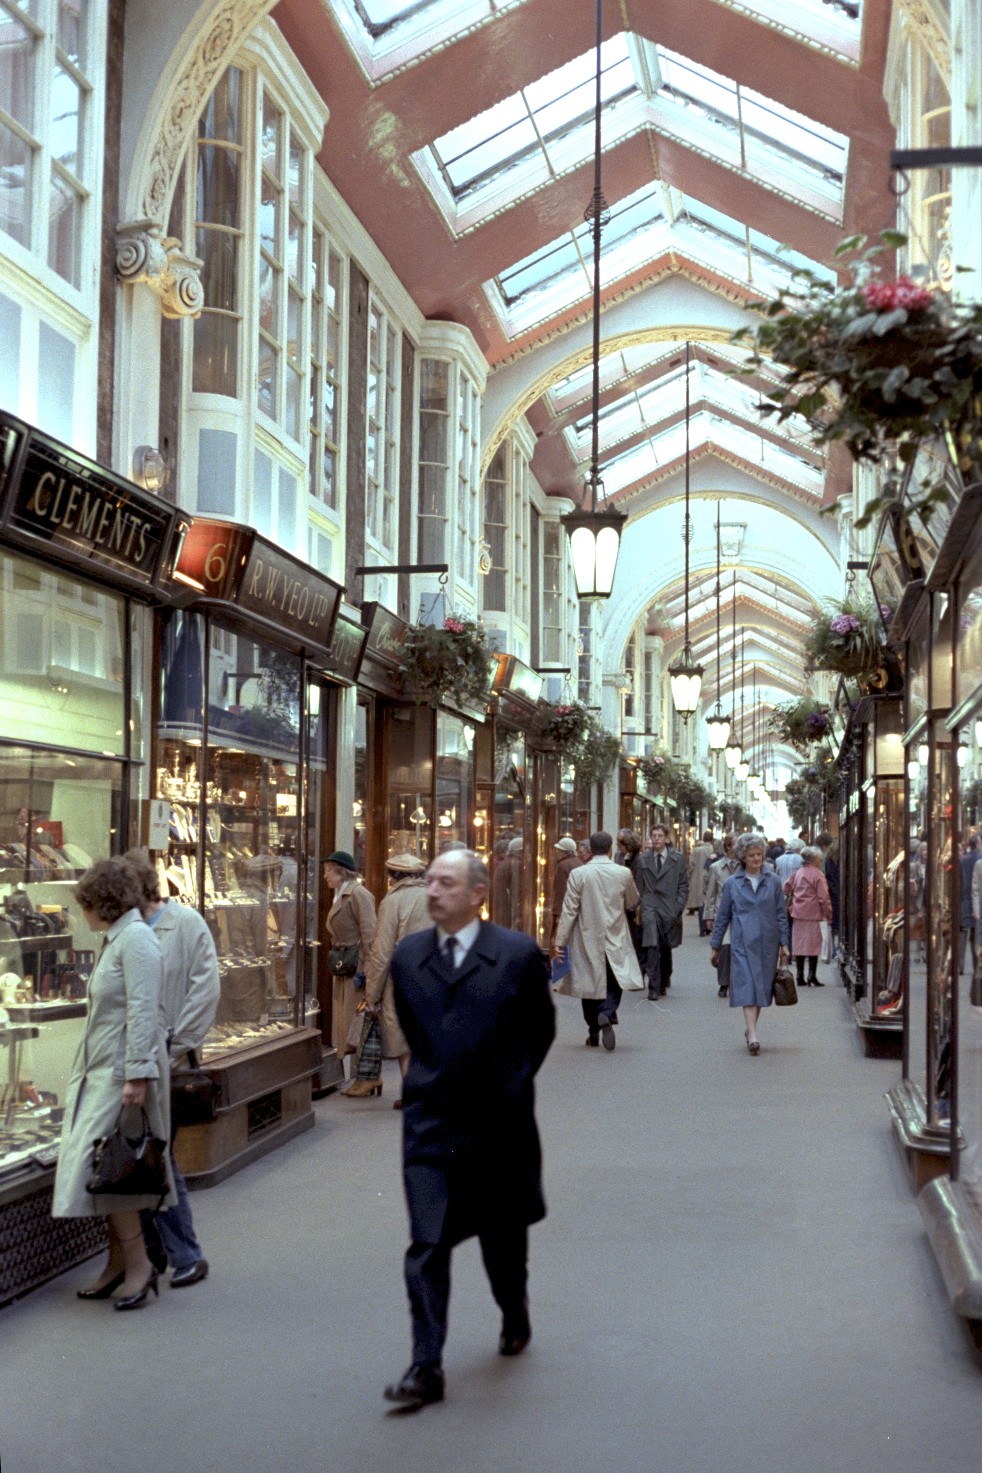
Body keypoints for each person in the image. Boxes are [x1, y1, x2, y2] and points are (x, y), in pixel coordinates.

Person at [384, 849, 554, 1411]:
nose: (433, 891)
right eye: (429, 881)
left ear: (478, 895)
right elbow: (414, 1027)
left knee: (502, 1242)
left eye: (446, 883)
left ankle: (514, 1311)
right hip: (431, 1125)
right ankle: (425, 1365)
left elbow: (539, 1031)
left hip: (498, 1127)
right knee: (427, 1243)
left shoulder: (516, 955)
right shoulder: (409, 957)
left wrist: (509, 1081)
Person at [52, 858, 175, 1309]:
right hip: (104, 1069)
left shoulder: (136, 940)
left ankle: (139, 1263)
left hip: (121, 1074)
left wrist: (137, 1076)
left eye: (85, 904)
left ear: (100, 903)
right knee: (105, 1169)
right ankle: (117, 1261)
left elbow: (144, 1010)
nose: (82, 913)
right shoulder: (120, 938)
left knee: (107, 1163)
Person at [123, 848, 220, 1287]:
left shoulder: (185, 924)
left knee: (157, 1157)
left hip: (169, 1062)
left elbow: (206, 989)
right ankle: (158, 1254)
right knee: (141, 1157)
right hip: (128, 1063)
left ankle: (182, 1254)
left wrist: (176, 1043)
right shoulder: (124, 931)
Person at [553, 830, 644, 1050]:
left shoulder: (579, 874)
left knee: (589, 982)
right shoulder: (622, 873)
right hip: (615, 932)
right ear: (611, 848)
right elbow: (632, 900)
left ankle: (593, 1031)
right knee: (616, 978)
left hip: (586, 934)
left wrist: (560, 941)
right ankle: (607, 1012)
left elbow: (569, 910)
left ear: (591, 850)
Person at [350, 852, 429, 1102]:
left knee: (404, 1037)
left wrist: (371, 994)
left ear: (393, 877)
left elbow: (382, 951)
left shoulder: (393, 901)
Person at [710, 832, 790, 1055]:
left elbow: (781, 914)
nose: (756, 859)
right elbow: (723, 917)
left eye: (759, 854)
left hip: (768, 943)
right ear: (743, 857)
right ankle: (752, 1034)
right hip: (742, 943)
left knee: (762, 989)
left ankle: (751, 1029)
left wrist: (784, 943)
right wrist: (715, 946)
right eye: (752, 855)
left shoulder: (773, 881)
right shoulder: (732, 884)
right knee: (747, 986)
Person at [324, 851, 377, 1074]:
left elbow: (369, 934)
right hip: (343, 964)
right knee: (346, 1022)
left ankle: (363, 1076)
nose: (325, 876)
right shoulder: (340, 894)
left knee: (357, 1022)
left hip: (356, 966)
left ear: (341, 872)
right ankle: (356, 1075)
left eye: (328, 871)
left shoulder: (358, 894)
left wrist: (367, 971)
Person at [635, 823, 688, 998]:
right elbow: (638, 886)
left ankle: (664, 979)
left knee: (665, 948)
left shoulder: (677, 859)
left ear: (666, 838)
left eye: (659, 835)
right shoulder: (643, 859)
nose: (656, 839)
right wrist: (639, 907)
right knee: (651, 945)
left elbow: (683, 885)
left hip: (669, 909)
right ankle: (653, 986)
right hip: (650, 907)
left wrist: (678, 907)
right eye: (653, 835)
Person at [785, 846, 832, 988]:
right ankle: (812, 975)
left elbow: (786, 888)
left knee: (799, 945)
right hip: (813, 913)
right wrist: (828, 912)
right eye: (819, 858)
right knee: (813, 945)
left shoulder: (797, 872)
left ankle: (799, 975)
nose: (820, 860)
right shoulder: (817, 874)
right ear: (814, 859)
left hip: (798, 912)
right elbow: (823, 897)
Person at [704, 834, 739, 998]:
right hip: (722, 914)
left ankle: (736, 982)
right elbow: (711, 893)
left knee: (737, 949)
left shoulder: (743, 866)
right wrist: (709, 916)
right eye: (736, 845)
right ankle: (724, 983)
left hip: (740, 914)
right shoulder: (716, 867)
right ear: (728, 847)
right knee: (724, 949)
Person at [550, 836, 582, 943]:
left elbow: (561, 891)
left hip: (565, 910)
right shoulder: (580, 863)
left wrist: (558, 914)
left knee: (560, 941)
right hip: (578, 909)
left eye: (559, 851)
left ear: (564, 852)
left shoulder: (562, 866)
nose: (557, 853)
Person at [958, 835, 981, 976]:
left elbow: (960, 880)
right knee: (975, 934)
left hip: (964, 899)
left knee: (963, 933)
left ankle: (960, 965)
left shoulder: (963, 860)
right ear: (977, 844)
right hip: (977, 900)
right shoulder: (980, 859)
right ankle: (975, 964)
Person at [687, 830, 715, 935]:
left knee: (701, 903)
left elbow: (691, 864)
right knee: (709, 901)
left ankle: (702, 928)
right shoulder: (713, 850)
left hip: (698, 877)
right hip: (711, 877)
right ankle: (709, 927)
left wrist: (690, 876)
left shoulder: (696, 850)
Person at [492, 836, 523, 929]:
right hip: (509, 911)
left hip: (502, 910)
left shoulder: (505, 863)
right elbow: (516, 891)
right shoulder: (516, 864)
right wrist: (518, 915)